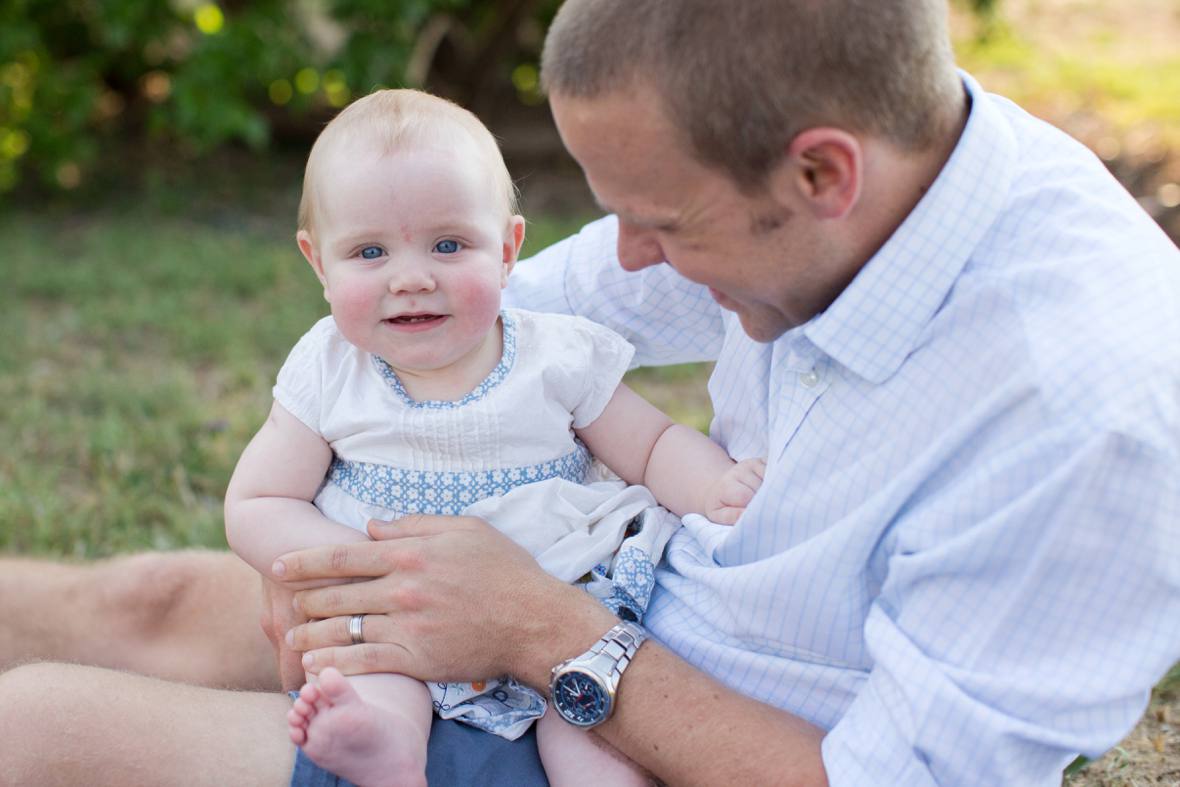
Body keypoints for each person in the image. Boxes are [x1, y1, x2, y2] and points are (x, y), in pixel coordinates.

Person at [0, 0, 1178, 785]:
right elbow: (521, 318)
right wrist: (312, 563)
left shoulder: (1084, 416)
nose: (624, 258)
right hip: (566, 588)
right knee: (145, 599)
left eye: (658, 221)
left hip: (615, 737)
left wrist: (538, 628)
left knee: (40, 728)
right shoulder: (893, 153)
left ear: (823, 173)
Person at [225, 86, 763, 787]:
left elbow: (653, 443)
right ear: (318, 263)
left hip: (562, 593)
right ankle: (385, 749)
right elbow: (259, 500)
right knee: (379, 683)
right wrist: (362, 568)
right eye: (369, 252)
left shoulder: (555, 354)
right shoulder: (328, 369)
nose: (411, 278)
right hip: (399, 610)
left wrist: (713, 485)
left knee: (591, 730)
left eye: (449, 245)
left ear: (508, 249)